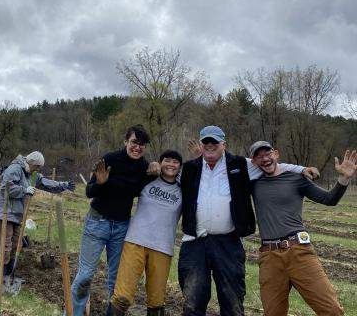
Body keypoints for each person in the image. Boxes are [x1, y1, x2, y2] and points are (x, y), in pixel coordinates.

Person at [178, 126, 319, 316]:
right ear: (201, 145)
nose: (210, 146)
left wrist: (301, 169)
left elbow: (273, 165)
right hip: (194, 243)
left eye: (214, 143)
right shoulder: (189, 168)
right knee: (193, 301)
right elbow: (167, 172)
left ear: (223, 145)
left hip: (228, 243)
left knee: (232, 301)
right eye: (206, 143)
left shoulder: (238, 164)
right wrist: (155, 168)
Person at [250, 142, 356, 316]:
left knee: (332, 311)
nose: (265, 159)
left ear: (276, 154)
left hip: (299, 252)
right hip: (269, 257)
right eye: (259, 156)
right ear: (253, 162)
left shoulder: (296, 179)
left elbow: (329, 199)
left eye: (267, 154)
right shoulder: (253, 184)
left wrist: (344, 179)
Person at [70, 124, 160, 316]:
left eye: (142, 144)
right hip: (97, 223)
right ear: (126, 141)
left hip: (121, 228)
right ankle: (74, 313)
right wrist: (100, 184)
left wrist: (156, 168)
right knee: (85, 275)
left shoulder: (144, 168)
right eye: (134, 142)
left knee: (117, 279)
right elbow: (89, 191)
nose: (138, 147)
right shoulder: (110, 159)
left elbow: (150, 185)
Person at [108, 150, 183, 316]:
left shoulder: (182, 189)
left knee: (156, 302)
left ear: (180, 167)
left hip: (163, 248)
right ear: (160, 163)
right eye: (167, 160)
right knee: (122, 297)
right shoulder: (148, 180)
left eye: (175, 162)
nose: (171, 164)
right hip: (136, 241)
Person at [0, 151, 75, 284]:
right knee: (4, 247)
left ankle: (8, 278)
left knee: (15, 247)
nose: (38, 170)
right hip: (5, 213)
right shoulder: (15, 169)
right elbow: (6, 188)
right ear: (31, 163)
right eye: (37, 167)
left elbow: (45, 183)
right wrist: (24, 190)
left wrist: (63, 185)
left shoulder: (31, 174)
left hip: (17, 215)